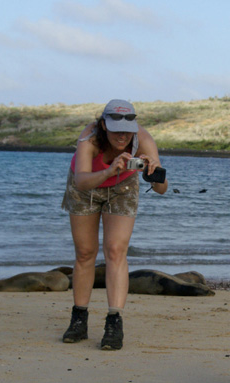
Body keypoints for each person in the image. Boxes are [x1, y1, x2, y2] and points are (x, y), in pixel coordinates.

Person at [61, 99, 168, 350]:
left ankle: (114, 321)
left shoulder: (143, 140)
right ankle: (79, 318)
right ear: (103, 126)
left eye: (127, 131)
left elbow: (161, 189)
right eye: (115, 129)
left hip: (123, 186)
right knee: (85, 252)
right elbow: (82, 181)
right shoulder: (89, 138)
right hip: (86, 185)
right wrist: (109, 171)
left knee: (116, 250)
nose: (122, 136)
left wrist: (152, 173)